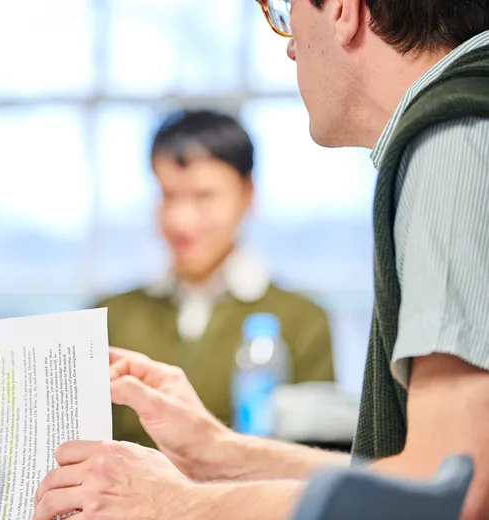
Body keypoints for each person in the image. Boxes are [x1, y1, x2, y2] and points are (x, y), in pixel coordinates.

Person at [34, 1, 489, 519]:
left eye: (286, 10)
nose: (290, 42)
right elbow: (411, 473)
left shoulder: (450, 142)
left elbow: (454, 490)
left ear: (342, 9)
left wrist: (176, 503)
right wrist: (219, 452)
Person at [98, 109, 334, 447]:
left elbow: (314, 461)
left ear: (248, 194)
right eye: (168, 195)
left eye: (203, 196)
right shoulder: (111, 316)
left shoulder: (302, 320)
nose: (181, 220)